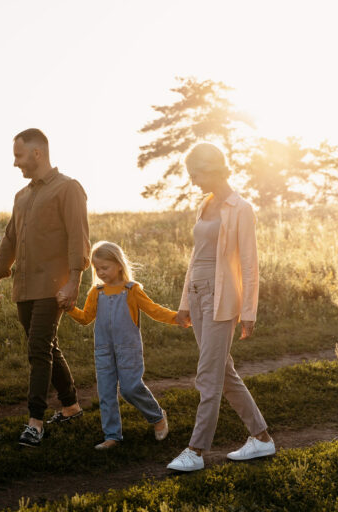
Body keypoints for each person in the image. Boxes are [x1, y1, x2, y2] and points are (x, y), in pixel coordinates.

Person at [167, 142, 274, 472]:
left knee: (208, 376)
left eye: (195, 173)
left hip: (221, 298)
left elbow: (249, 264)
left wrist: (250, 311)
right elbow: (195, 258)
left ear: (210, 168)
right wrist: (185, 302)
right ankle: (261, 438)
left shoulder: (241, 208)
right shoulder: (204, 204)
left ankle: (196, 450)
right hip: (198, 295)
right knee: (222, 372)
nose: (193, 179)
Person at [0, 128, 90, 447]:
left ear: (37, 154)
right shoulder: (22, 196)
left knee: (38, 349)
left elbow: (78, 237)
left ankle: (35, 421)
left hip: (53, 287)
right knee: (47, 346)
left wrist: (74, 282)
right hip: (24, 287)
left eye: (19, 155)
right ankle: (70, 406)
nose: (16, 163)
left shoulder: (68, 188)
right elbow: (10, 240)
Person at [65, 241, 177, 450]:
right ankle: (112, 435)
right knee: (106, 392)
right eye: (97, 269)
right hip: (103, 350)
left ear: (118, 264)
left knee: (130, 388)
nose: (100, 272)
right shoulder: (96, 292)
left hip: (128, 348)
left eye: (104, 268)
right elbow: (85, 318)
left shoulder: (132, 290)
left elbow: (153, 310)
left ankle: (157, 416)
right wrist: (70, 308)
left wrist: (176, 317)